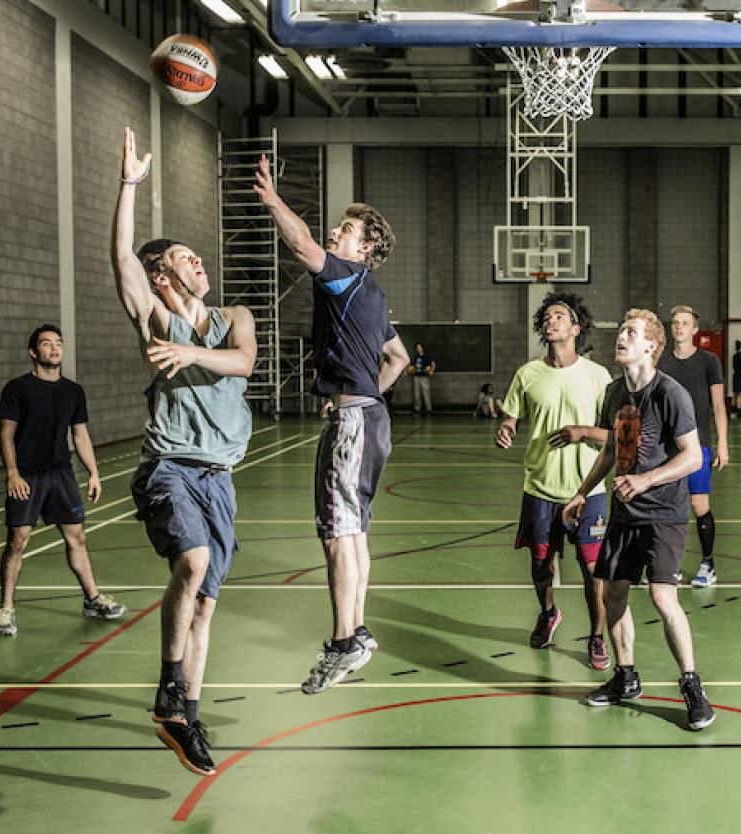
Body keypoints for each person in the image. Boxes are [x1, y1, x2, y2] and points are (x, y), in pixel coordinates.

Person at [113, 127, 256, 776]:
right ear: (161, 274)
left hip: (220, 479)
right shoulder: (155, 317)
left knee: (204, 607)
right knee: (192, 564)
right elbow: (120, 260)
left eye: (198, 255)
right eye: (185, 256)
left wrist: (194, 353)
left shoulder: (235, 317)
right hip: (168, 468)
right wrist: (129, 186)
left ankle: (184, 716)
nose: (198, 261)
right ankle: (170, 684)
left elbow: (243, 362)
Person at [254, 153, 408, 695]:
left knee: (339, 534)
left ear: (364, 248)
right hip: (365, 415)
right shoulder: (373, 295)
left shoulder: (346, 277)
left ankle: (345, 642)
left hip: (356, 420)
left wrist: (274, 201)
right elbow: (397, 359)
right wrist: (358, 393)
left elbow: (301, 247)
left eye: (346, 230)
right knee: (353, 531)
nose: (335, 233)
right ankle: (355, 633)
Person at [564, 309, 714, 730]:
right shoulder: (615, 394)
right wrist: (581, 491)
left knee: (662, 598)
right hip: (624, 512)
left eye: (631, 332)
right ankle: (626, 676)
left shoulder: (671, 393)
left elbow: (691, 455)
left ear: (651, 345)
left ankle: (692, 685)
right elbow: (612, 449)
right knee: (613, 594)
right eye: (622, 330)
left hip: (663, 512)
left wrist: (647, 479)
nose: (621, 337)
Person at [496, 293, 613, 669]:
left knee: (592, 570)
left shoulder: (598, 376)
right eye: (546, 316)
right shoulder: (527, 374)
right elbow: (512, 416)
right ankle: (548, 613)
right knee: (540, 565)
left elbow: (614, 435)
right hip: (540, 488)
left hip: (587, 490)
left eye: (559, 315)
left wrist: (582, 432)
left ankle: (597, 637)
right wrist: (507, 428)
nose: (551, 320)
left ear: (576, 328)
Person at [0, 324, 125, 637]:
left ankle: (92, 599)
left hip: (61, 474)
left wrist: (93, 471)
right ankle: (6, 610)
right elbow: (5, 434)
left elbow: (80, 435)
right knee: (17, 542)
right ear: (33, 352)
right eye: (46, 343)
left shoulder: (73, 391)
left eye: (58, 343)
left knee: (77, 538)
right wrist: (12, 473)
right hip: (27, 475)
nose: (54, 349)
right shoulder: (17, 389)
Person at [658, 306, 729, 589]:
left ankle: (708, 564)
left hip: (698, 446)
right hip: (667, 447)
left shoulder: (709, 361)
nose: (679, 328)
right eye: (675, 323)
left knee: (699, 506)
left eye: (685, 323)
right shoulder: (662, 362)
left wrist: (722, 443)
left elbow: (718, 405)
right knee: (668, 509)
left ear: (694, 329)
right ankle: (669, 566)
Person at [408, 342, 436, 415]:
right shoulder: (415, 358)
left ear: (422, 348)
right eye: (417, 347)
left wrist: (430, 370)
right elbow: (412, 366)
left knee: (426, 393)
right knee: (416, 394)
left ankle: (428, 409)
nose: (418, 349)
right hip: (416, 377)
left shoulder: (426, 357)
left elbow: (432, 364)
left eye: (419, 347)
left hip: (424, 377)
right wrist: (410, 370)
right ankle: (417, 409)